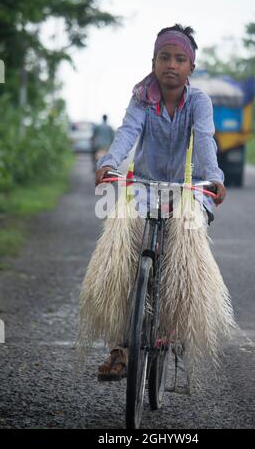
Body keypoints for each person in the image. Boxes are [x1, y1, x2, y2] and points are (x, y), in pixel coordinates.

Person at [95, 24, 226, 380]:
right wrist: (108, 163)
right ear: (153, 62)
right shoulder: (141, 97)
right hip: (143, 188)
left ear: (191, 68)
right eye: (164, 57)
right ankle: (119, 347)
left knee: (184, 254)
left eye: (180, 59)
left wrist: (214, 177)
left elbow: (204, 139)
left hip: (187, 190)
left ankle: (177, 324)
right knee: (119, 259)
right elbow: (127, 133)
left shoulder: (199, 101)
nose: (172, 64)